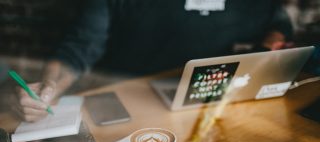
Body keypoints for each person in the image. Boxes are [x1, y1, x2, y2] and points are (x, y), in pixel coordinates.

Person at [15, 0, 294, 122]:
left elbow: (278, 21)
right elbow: (77, 49)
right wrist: (50, 87)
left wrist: (269, 45)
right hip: (129, 105)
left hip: (212, 105)